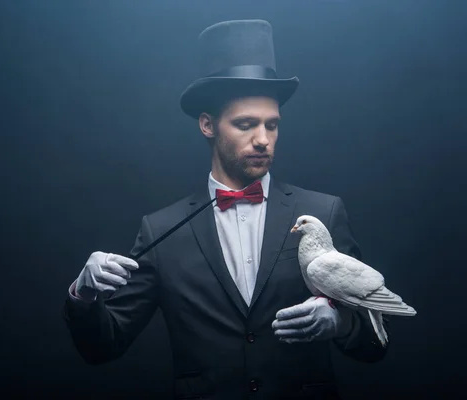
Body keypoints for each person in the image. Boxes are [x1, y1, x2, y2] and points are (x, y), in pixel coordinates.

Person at [63, 19, 388, 399]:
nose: (263, 139)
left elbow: (374, 347)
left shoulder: (322, 212)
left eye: (272, 125)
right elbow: (102, 347)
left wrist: (342, 323)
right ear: (207, 125)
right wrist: (82, 295)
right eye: (246, 124)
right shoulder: (161, 230)